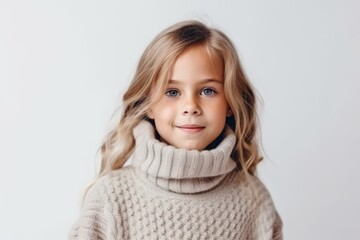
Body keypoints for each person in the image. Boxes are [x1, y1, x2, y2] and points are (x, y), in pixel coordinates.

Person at [69, 20, 283, 240]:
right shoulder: (110, 199)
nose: (190, 106)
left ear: (230, 103)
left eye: (208, 91)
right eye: (172, 92)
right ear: (148, 104)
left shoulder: (254, 202)